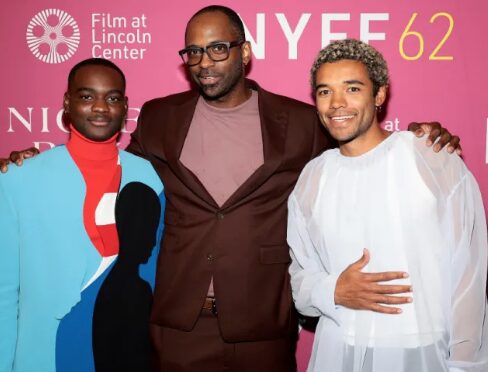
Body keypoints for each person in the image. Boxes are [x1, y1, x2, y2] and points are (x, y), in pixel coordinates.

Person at [0, 6, 462, 371]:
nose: (204, 62)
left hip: (263, 325)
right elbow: (113, 168)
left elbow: (360, 143)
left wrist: (423, 135)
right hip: (178, 325)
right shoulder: (160, 117)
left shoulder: (300, 121)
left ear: (245, 53)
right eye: (193, 52)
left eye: (218, 48)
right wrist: (29, 162)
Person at [287, 39, 488, 372]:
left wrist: (465, 365)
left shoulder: (430, 157)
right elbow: (300, 281)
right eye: (325, 92)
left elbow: (468, 274)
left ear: (379, 95)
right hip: (338, 351)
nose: (337, 103)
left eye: (352, 88)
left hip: (423, 352)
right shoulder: (313, 177)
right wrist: (333, 290)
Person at [0, 58, 164, 372]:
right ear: (67, 102)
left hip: (124, 351)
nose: (101, 107)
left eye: (113, 98)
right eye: (87, 96)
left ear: (125, 106)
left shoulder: (150, 178)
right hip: (45, 355)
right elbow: (3, 293)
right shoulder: (18, 179)